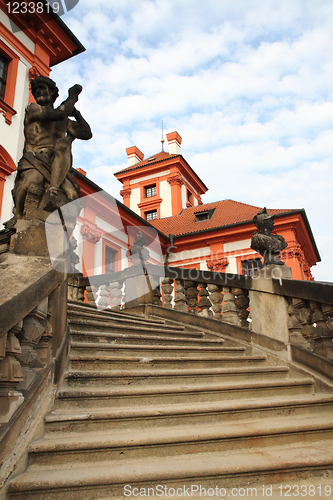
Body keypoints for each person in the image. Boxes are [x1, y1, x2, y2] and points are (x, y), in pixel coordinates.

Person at [12, 76, 92, 220]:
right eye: (36, 90)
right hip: (34, 158)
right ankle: (18, 216)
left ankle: (53, 189)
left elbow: (86, 133)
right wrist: (73, 97)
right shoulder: (33, 109)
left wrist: (76, 113)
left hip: (57, 164)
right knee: (33, 181)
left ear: (53, 93)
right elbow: (59, 113)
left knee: (73, 196)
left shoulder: (63, 120)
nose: (38, 92)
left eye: (43, 88)